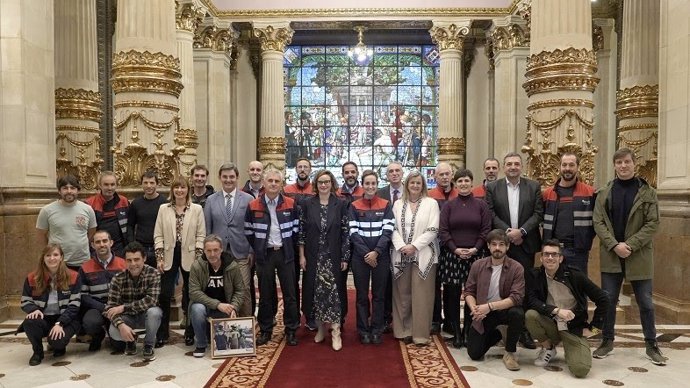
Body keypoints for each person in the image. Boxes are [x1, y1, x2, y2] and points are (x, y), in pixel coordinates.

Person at [592, 147, 666, 365]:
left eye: (626, 162)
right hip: (611, 254)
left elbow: (653, 223)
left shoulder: (648, 192)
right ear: (614, 166)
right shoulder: (605, 192)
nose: (623, 166)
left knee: (645, 302)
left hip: (639, 255)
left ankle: (651, 345)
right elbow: (599, 222)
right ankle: (607, 341)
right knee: (608, 300)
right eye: (618, 163)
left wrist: (630, 245)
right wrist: (615, 245)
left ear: (634, 163)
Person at [525, 239, 608, 378]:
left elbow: (603, 299)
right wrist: (556, 310)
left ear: (561, 258)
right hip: (550, 323)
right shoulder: (535, 275)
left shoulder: (575, 275)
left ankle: (573, 347)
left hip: (573, 328)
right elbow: (532, 301)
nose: (550, 258)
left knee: (581, 370)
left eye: (554, 254)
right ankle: (548, 348)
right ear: (541, 257)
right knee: (530, 315)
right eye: (546, 254)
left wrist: (594, 328)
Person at [485, 152, 543, 349]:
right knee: (500, 285)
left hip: (525, 244)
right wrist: (507, 233)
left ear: (522, 166)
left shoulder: (533, 186)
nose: (513, 167)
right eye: (509, 163)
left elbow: (538, 213)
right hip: (501, 244)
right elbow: (490, 212)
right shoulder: (493, 187)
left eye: (516, 164)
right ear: (503, 167)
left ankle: (523, 331)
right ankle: (498, 326)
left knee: (524, 287)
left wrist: (522, 232)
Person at [244, 168, 300, 347]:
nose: (273, 184)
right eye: (270, 181)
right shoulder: (253, 205)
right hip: (265, 254)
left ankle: (291, 330)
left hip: (285, 253)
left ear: (281, 183)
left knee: (290, 294)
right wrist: (259, 248)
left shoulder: (291, 204)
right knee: (266, 293)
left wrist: (291, 248)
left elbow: (297, 230)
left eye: (277, 181)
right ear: (264, 183)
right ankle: (266, 329)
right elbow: (248, 231)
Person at [438, 168, 491, 348]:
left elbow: (486, 230)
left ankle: (469, 330)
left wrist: (475, 249)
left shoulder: (481, 205)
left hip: (476, 256)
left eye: (467, 181)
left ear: (472, 182)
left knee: (472, 293)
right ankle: (456, 332)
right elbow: (443, 231)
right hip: (453, 256)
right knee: (452, 294)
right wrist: (456, 250)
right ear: (456, 183)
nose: (463, 184)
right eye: (460, 181)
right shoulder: (449, 206)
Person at [299, 170, 351, 351]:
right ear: (316, 184)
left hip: (333, 257)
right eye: (320, 182)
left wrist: (345, 256)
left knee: (334, 295)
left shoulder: (341, 204)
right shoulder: (307, 204)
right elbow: (302, 232)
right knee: (316, 293)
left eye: (327, 182)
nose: (323, 185)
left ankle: (335, 331)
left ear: (332, 183)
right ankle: (320, 328)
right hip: (314, 256)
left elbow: (346, 231)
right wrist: (302, 255)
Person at [153, 176, 206, 347]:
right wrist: (159, 258)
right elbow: (158, 235)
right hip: (169, 255)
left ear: (187, 189)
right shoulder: (163, 208)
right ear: (172, 190)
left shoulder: (196, 209)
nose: (180, 191)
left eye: (182, 187)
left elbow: (201, 235)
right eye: (176, 187)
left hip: (190, 256)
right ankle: (162, 333)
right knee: (164, 294)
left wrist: (199, 258)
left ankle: (191, 332)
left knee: (191, 294)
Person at [463, 229, 525, 371]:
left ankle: (510, 352)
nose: (497, 248)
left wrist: (489, 306)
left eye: (501, 244)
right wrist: (474, 308)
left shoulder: (517, 268)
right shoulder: (478, 265)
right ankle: (498, 334)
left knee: (518, 313)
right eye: (494, 244)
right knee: (474, 354)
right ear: (488, 246)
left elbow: (516, 298)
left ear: (508, 247)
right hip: (483, 313)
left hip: (505, 310)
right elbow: (469, 292)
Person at [391, 170, 440, 347]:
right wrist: (402, 246)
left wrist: (414, 246)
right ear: (406, 185)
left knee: (422, 296)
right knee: (402, 294)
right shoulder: (397, 204)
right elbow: (392, 228)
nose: (415, 186)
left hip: (424, 255)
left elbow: (433, 229)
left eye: (418, 183)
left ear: (423, 185)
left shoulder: (431, 203)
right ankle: (403, 330)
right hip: (401, 254)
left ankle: (420, 335)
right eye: (412, 183)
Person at [349, 170, 394, 345]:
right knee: (361, 296)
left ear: (377, 185)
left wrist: (376, 252)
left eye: (373, 183)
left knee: (379, 295)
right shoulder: (354, 205)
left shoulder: (386, 204)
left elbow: (388, 231)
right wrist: (366, 254)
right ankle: (362, 329)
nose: (370, 186)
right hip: (360, 258)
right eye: (367, 183)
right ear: (363, 184)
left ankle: (376, 329)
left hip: (380, 257)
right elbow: (353, 232)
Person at [204, 163, 254, 318]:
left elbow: (252, 227)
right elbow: (207, 228)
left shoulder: (248, 199)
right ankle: (226, 325)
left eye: (231, 177)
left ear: (237, 178)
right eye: (225, 177)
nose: (228, 180)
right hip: (218, 254)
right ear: (220, 178)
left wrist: (252, 251)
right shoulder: (211, 200)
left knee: (244, 288)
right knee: (224, 290)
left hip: (241, 252)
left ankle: (246, 324)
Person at [19, 244, 81, 366]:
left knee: (57, 342)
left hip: (66, 319)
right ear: (43, 258)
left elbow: (75, 304)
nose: (52, 258)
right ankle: (37, 352)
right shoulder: (32, 278)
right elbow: (25, 300)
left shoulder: (73, 276)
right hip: (44, 317)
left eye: (55, 255)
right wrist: (33, 310)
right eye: (48, 255)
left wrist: (60, 323)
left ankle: (58, 346)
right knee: (29, 322)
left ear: (62, 257)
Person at [188, 234, 247, 358]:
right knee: (196, 308)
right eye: (209, 251)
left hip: (227, 306)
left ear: (221, 250)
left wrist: (234, 307)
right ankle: (201, 344)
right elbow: (194, 292)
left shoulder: (232, 266)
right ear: (204, 251)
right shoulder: (197, 266)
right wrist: (217, 304)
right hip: (206, 306)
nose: (212, 254)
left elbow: (240, 290)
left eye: (215, 250)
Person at [104, 242, 162, 361]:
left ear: (144, 258)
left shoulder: (153, 273)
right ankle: (130, 341)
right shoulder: (117, 278)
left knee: (155, 312)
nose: (133, 264)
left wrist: (123, 307)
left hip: (146, 316)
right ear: (125, 261)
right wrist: (121, 325)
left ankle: (149, 344)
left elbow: (151, 300)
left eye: (137, 259)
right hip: (128, 318)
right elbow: (109, 308)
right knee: (113, 331)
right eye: (129, 260)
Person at [542, 153, 596, 274]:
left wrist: (585, 240)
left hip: (578, 252)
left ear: (577, 167)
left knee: (578, 290)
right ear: (559, 167)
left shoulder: (590, 193)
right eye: (564, 165)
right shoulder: (547, 194)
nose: (567, 168)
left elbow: (597, 222)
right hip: (553, 251)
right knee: (553, 287)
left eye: (571, 165)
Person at [78, 230, 127, 351]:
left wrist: (118, 307)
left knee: (119, 347)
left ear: (111, 243)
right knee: (90, 323)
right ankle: (97, 336)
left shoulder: (123, 264)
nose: (102, 244)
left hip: (117, 307)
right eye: (98, 242)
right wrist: (103, 307)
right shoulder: (85, 267)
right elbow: (84, 296)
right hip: (97, 307)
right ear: (93, 245)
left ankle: (113, 336)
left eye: (105, 241)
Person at [36, 175, 97, 270]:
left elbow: (92, 232)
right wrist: (50, 254)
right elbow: (41, 236)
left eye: (72, 188)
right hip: (57, 262)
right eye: (65, 188)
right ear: (59, 191)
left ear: (78, 190)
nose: (69, 191)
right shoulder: (47, 210)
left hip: (82, 262)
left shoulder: (88, 209)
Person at [283, 157, 315, 329]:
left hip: (311, 242)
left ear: (310, 170)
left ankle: (310, 316)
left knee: (310, 281)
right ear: (295, 169)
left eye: (305, 167)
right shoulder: (287, 190)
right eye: (299, 166)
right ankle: (294, 317)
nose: (302, 169)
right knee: (291, 281)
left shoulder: (316, 189)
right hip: (290, 241)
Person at [427, 162, 458, 335]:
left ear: (452, 175)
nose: (445, 177)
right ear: (435, 177)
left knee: (452, 286)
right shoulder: (429, 195)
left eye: (448, 174)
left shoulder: (459, 194)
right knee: (434, 284)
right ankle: (435, 319)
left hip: (454, 246)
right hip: (434, 246)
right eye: (441, 175)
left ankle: (451, 321)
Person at [375, 161, 405, 333]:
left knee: (402, 283)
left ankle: (402, 317)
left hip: (405, 244)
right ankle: (385, 317)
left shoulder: (410, 193)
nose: (394, 173)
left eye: (397, 171)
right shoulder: (380, 193)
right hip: (383, 244)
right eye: (391, 171)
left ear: (402, 173)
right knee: (384, 283)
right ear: (386, 175)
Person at [85, 171, 129, 258]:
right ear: (100, 185)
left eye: (112, 184)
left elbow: (130, 226)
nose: (109, 188)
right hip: (97, 249)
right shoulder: (89, 203)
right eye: (106, 184)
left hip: (120, 249)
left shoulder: (124, 201)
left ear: (116, 185)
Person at [128, 172, 167, 267]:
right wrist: (132, 244)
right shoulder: (136, 203)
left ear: (157, 184)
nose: (149, 186)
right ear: (141, 184)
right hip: (141, 247)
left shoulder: (164, 203)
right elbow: (130, 225)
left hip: (159, 247)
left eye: (152, 183)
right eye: (145, 183)